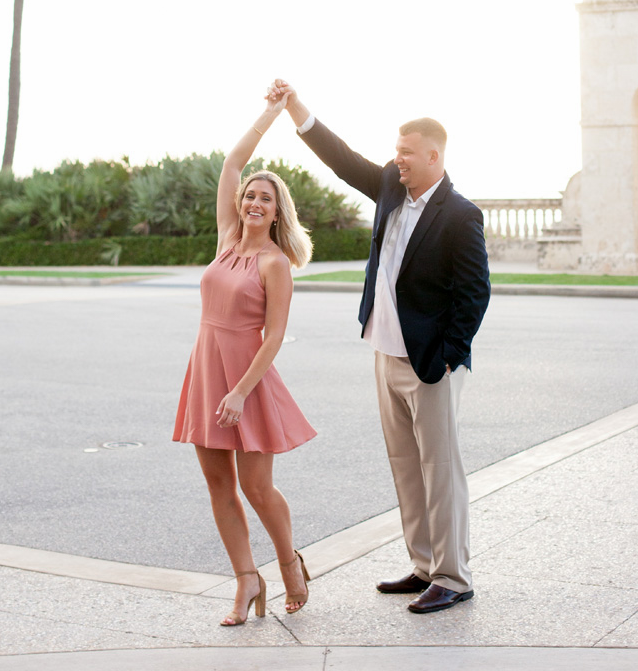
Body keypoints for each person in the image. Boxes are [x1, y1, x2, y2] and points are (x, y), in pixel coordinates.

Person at [268, 79, 490, 615]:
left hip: (430, 363)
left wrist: (447, 356)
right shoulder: (393, 185)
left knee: (441, 469)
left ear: (434, 155)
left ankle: (453, 577)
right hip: (384, 352)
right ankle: (423, 566)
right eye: (396, 152)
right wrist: (296, 109)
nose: (398, 160)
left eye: (407, 152)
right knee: (405, 464)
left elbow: (474, 293)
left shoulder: (461, 214)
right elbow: (343, 162)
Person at [172, 92, 315, 626]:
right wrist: (273, 114)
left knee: (257, 486)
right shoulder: (227, 238)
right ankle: (245, 580)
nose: (254, 201)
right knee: (218, 485)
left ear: (278, 212)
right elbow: (233, 163)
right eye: (251, 195)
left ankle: (288, 565)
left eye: (266, 199)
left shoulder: (276, 263)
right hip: (206, 370)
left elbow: (274, 337)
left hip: (247, 382)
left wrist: (240, 391)